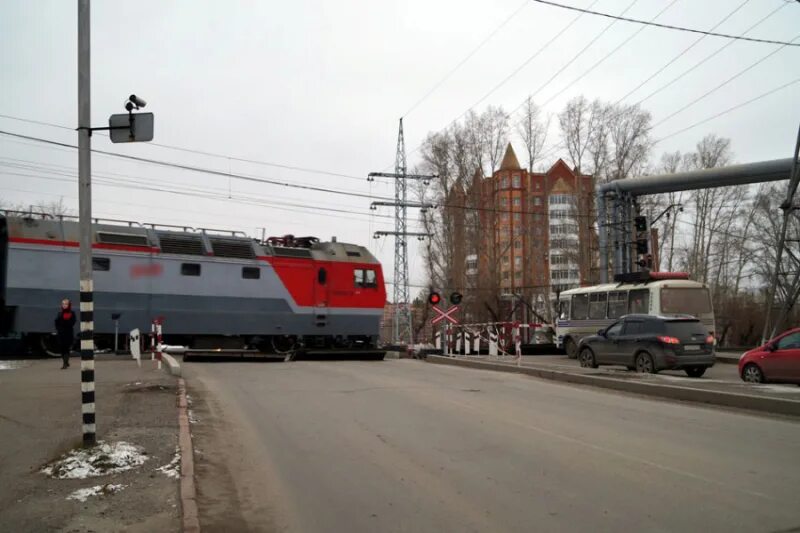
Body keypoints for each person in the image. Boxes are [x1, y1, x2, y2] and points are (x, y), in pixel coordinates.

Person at [54, 298, 76, 369]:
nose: (64, 305)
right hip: (61, 333)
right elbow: (56, 322)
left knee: (66, 348)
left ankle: (65, 363)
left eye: (66, 304)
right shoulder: (59, 314)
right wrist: (58, 329)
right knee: (62, 348)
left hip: (68, 333)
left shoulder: (72, 313)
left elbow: (73, 322)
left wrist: (66, 322)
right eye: (63, 304)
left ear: (69, 305)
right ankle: (66, 362)